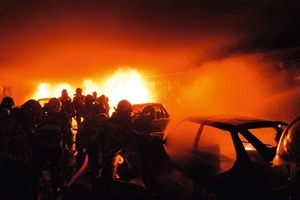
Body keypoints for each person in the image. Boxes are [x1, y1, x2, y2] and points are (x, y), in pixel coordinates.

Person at [36, 97, 74, 198]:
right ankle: (48, 187)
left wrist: (68, 144)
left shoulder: (61, 115)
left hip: (53, 146)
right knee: (50, 167)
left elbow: (67, 131)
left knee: (55, 168)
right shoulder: (45, 114)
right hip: (47, 146)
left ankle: (54, 187)